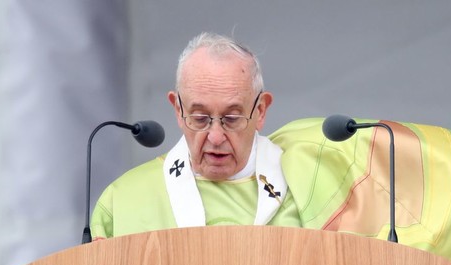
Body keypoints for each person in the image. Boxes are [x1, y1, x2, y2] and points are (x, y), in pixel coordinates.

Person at [90, 32, 301, 239]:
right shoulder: (123, 199)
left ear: (260, 111)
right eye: (200, 118)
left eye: (231, 118)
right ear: (178, 110)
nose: (216, 137)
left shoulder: (302, 188)